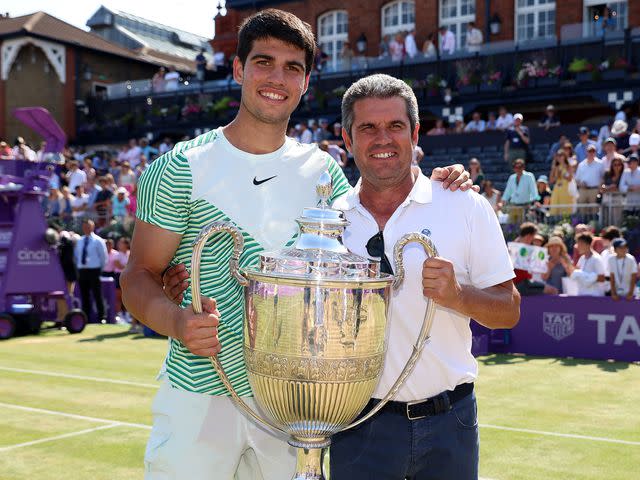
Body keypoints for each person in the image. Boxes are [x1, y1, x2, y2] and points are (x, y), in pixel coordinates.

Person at [121, 10, 475, 480]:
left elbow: (388, 193)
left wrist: (449, 178)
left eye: (292, 67)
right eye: (264, 62)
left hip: (294, 404)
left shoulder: (324, 173)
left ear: (306, 82)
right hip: (199, 397)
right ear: (238, 69)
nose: (277, 78)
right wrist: (178, 320)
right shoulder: (179, 167)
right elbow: (138, 276)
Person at [327, 73, 520, 480]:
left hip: (450, 423)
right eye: (368, 128)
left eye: (395, 126)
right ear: (347, 139)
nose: (383, 139)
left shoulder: (464, 204)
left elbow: (509, 311)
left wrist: (460, 296)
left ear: (415, 133)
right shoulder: (329, 218)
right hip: (357, 427)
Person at [74, 219, 107, 321]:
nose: (86, 228)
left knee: (97, 294)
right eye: (84, 227)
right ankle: (85, 318)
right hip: (82, 270)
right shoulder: (80, 240)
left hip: (94, 270)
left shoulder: (98, 241)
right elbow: (76, 256)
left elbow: (103, 257)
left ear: (92, 227)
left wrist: (100, 269)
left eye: (88, 226)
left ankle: (102, 317)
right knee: (84, 295)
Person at [502, 158, 538, 223]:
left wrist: (536, 200)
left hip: (525, 206)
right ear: (514, 168)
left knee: (524, 226)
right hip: (513, 206)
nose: (518, 169)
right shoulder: (511, 177)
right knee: (511, 226)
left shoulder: (529, 176)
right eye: (516, 167)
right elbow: (507, 191)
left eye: (520, 167)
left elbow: (534, 190)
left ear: (523, 167)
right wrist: (503, 200)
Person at [574, 144, 604, 215]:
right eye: (589, 151)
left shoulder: (600, 163)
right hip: (582, 190)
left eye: (593, 151)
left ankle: (594, 225)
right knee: (582, 211)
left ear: (595, 152)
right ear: (586, 152)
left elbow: (603, 177)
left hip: (595, 190)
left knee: (594, 211)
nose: (591, 153)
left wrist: (600, 188)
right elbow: (577, 179)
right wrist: (581, 184)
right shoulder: (581, 164)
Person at [549, 149, 575, 216]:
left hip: (566, 189)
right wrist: (556, 174)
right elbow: (551, 180)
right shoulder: (555, 167)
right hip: (557, 189)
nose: (559, 157)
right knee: (555, 206)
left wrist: (563, 176)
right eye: (558, 156)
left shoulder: (568, 166)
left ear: (564, 157)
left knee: (565, 207)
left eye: (561, 155)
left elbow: (570, 179)